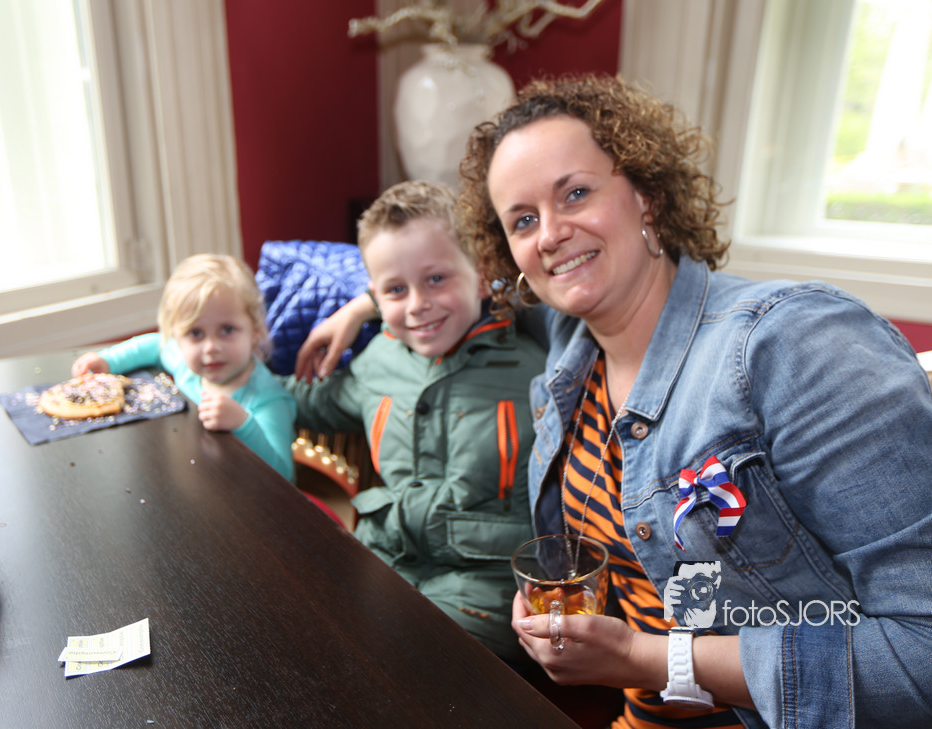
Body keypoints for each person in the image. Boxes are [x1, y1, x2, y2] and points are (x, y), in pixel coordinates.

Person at [298, 75, 932, 728]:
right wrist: (363, 305)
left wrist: (648, 658)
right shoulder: (570, 340)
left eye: (575, 192)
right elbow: (452, 282)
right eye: (523, 219)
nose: (549, 234)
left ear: (647, 195)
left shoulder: (797, 345)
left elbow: (921, 654)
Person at [288, 180, 547, 664]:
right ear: (375, 296)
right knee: (309, 633)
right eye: (395, 290)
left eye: (436, 279)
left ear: (481, 274)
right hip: (382, 557)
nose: (416, 305)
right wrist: (223, 380)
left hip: (487, 586)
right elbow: (307, 402)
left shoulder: (535, 368)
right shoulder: (378, 360)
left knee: (410, 661)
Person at [73, 254, 296, 481]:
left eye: (227, 329)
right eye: (196, 333)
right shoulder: (186, 366)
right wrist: (108, 361)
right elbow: (155, 345)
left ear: (255, 332)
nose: (211, 347)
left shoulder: (269, 400)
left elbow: (283, 475)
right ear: (177, 338)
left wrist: (243, 424)